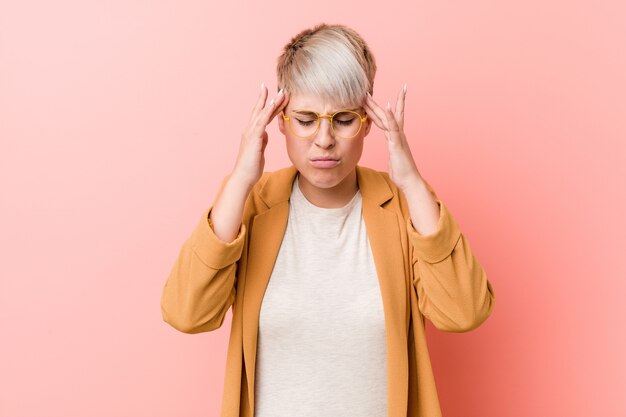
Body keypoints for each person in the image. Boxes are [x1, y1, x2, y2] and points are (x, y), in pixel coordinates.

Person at [161, 23, 496, 417]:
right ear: (280, 121)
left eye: (343, 119)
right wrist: (239, 179)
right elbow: (186, 313)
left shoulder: (405, 208)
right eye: (305, 119)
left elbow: (465, 311)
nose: (323, 139)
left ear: (367, 121)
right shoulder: (250, 207)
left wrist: (410, 181)